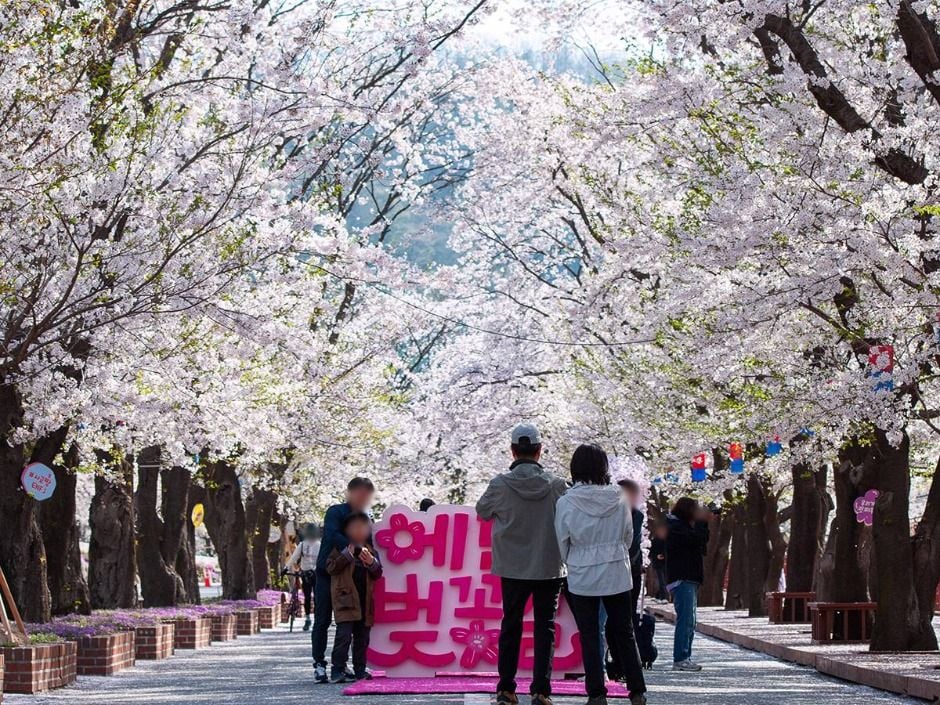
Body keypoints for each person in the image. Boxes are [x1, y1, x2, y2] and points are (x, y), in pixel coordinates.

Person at [476, 423, 568, 705]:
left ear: (513, 450)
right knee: (545, 627)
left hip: (512, 566)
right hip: (548, 565)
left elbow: (482, 511)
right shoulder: (557, 485)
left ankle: (506, 688)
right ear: (539, 451)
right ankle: (541, 691)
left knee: (511, 624)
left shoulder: (500, 484)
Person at [555, 444, 647, 705]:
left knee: (589, 634)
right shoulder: (619, 497)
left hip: (582, 573)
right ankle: (637, 690)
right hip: (617, 570)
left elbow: (562, 541)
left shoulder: (566, 501)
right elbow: (628, 536)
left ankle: (596, 693)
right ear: (603, 467)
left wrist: (574, 559)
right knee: (624, 632)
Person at [311, 477, 376, 684]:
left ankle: (346, 666)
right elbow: (332, 535)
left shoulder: (366, 517)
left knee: (350, 624)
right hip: (328, 574)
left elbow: (371, 545)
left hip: (352, 579)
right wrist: (356, 549)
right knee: (322, 620)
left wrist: (371, 559)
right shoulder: (335, 512)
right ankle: (319, 663)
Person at [326, 512, 383, 683]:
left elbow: (378, 573)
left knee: (362, 637)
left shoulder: (370, 549)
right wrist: (347, 555)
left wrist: (372, 562)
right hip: (346, 599)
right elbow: (330, 568)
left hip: (365, 600)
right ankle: (337, 669)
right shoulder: (339, 547)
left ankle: (360, 669)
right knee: (343, 636)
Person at [666, 497, 710, 672]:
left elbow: (702, 544)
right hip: (682, 578)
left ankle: (685, 657)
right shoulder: (675, 527)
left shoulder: (683, 526)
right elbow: (696, 540)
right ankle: (681, 658)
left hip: (689, 578)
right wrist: (701, 523)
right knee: (685, 619)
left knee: (690, 620)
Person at [617, 479, 645, 618]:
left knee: (629, 612)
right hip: (617, 568)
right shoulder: (612, 514)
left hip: (632, 569)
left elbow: (635, 542)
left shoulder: (637, 515)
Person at [285, 523, 321, 631]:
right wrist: (286, 568)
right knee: (309, 597)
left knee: (315, 597)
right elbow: (294, 557)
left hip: (315, 574)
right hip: (307, 574)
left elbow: (322, 559)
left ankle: (314, 619)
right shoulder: (303, 545)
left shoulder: (318, 545)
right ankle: (309, 618)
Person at [649, 523, 669, 601]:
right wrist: (656, 556)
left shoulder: (665, 539)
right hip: (658, 563)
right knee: (661, 580)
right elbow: (651, 551)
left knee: (663, 580)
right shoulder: (655, 540)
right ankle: (661, 596)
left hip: (664, 562)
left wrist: (663, 555)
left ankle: (662, 596)